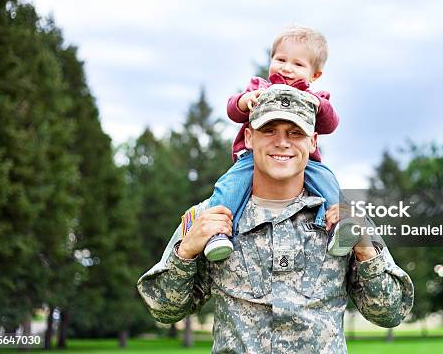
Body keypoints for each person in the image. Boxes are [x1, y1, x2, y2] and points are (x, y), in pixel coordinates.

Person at [137, 86, 414, 353]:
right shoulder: (209, 217)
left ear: (313, 142)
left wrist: (366, 250)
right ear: (248, 137)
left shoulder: (345, 219)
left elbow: (389, 313)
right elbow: (164, 309)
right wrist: (185, 253)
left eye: (295, 132)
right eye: (269, 130)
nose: (282, 142)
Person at [203, 25, 356, 261]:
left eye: (298, 64)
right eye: (281, 59)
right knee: (230, 185)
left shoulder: (316, 98)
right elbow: (232, 110)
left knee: (327, 181)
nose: (286, 68)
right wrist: (245, 101)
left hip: (307, 164)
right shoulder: (259, 88)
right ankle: (217, 232)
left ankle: (337, 225)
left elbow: (330, 124)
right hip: (250, 158)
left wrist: (317, 105)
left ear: (315, 75)